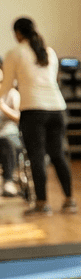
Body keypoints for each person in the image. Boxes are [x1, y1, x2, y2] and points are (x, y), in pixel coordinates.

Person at [1, 18, 74, 215]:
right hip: (57, 108)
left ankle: (42, 204)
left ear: (17, 33)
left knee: (37, 158)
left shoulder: (14, 53)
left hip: (33, 110)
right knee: (58, 155)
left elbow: (6, 85)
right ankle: (69, 201)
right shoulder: (48, 52)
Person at [0, 60, 22, 197]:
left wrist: (3, 107)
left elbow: (19, 117)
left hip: (11, 136)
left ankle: (8, 182)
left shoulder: (12, 94)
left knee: (5, 142)